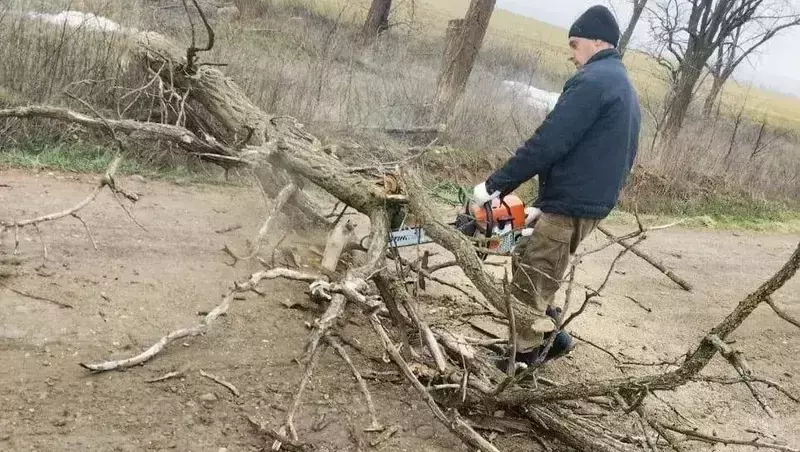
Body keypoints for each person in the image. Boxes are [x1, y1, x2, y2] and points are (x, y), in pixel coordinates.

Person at [472, 5, 641, 369]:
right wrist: (547, 204)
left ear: (597, 42)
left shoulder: (593, 81)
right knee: (529, 255)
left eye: (575, 44)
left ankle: (522, 359)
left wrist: (494, 186)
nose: (572, 54)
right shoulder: (619, 82)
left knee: (533, 276)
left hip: (573, 204)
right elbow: (596, 153)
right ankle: (552, 336)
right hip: (583, 202)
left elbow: (549, 142)